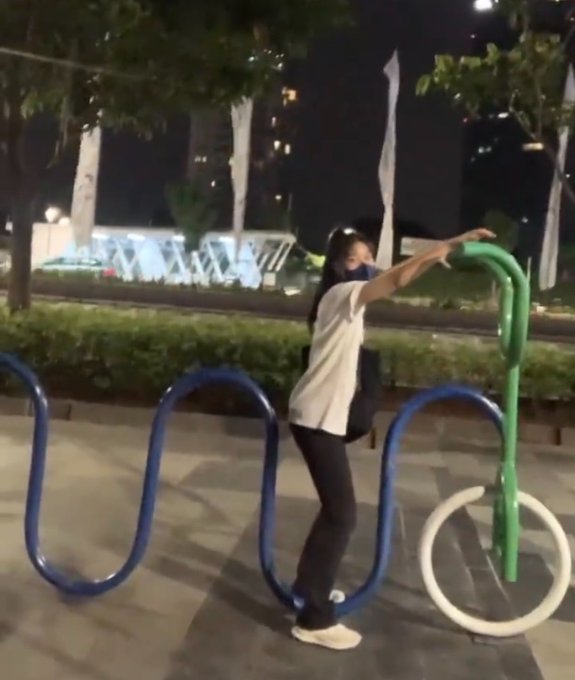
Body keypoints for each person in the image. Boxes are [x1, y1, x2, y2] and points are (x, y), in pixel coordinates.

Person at [288, 225, 495, 651]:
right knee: (342, 515)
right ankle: (313, 618)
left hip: (319, 417)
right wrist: (446, 246)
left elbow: (395, 275)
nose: (364, 266)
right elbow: (395, 279)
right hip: (315, 419)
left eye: (368, 258)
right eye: (355, 259)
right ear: (337, 265)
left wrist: (436, 254)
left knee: (335, 511)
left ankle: (309, 588)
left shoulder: (346, 300)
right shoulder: (342, 295)